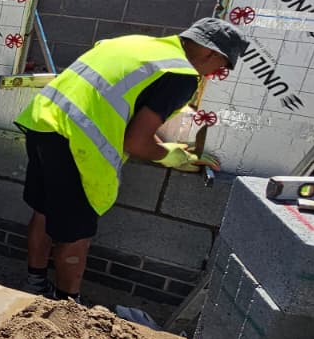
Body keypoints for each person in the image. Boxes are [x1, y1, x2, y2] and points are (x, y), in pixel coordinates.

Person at [14, 17, 249, 304]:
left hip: (44, 121)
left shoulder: (138, 44)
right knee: (76, 234)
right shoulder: (181, 75)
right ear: (211, 52)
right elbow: (136, 142)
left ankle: (34, 285)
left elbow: (120, 104)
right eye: (223, 66)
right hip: (77, 144)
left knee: (44, 211)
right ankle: (67, 308)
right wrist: (171, 156)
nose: (217, 73)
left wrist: (163, 146)